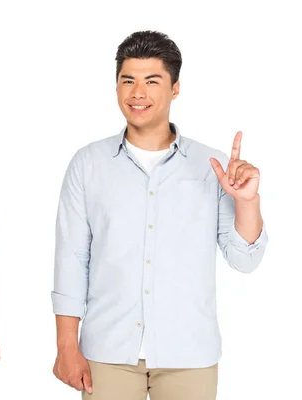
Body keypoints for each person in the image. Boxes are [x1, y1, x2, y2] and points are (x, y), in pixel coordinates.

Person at [51, 31, 268, 400]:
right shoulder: (88, 164)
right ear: (116, 85)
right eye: (128, 80)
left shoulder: (210, 165)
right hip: (107, 353)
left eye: (152, 81)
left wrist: (247, 201)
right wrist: (66, 346)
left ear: (175, 88)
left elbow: (245, 259)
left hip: (189, 354)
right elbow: (71, 261)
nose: (138, 93)